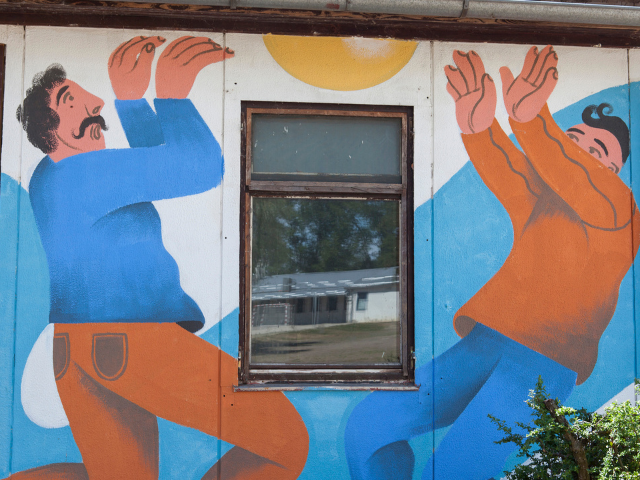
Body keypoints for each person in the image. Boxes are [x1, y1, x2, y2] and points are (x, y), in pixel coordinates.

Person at [9, 36, 308, 480]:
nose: (95, 104)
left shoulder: (50, 177)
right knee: (285, 440)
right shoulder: (85, 173)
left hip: (75, 352)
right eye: (71, 101)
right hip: (133, 342)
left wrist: (132, 102)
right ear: (52, 129)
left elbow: (156, 164)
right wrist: (171, 96)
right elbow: (196, 167)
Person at [345, 45, 638, 480]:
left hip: (543, 365)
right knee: (369, 428)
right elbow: (512, 171)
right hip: (485, 342)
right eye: (573, 139)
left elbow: (571, 170)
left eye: (595, 150)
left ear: (613, 171)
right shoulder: (543, 204)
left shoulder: (619, 213)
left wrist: (532, 119)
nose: (577, 151)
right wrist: (478, 124)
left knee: (454, 470)